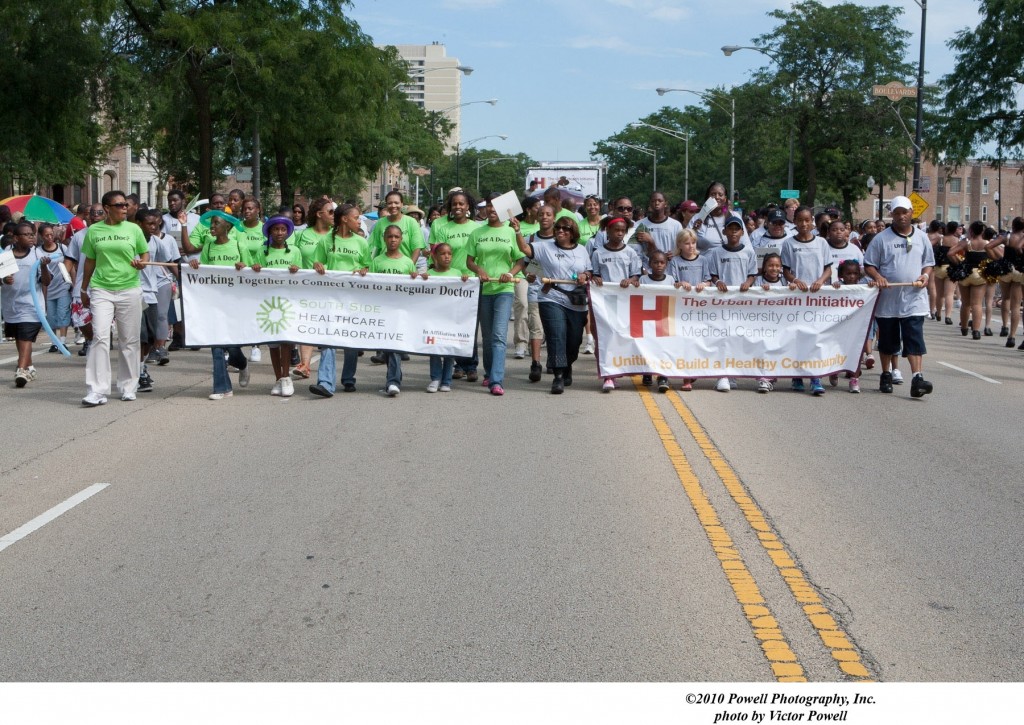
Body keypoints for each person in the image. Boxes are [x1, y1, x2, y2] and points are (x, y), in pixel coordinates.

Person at [80, 191, 150, 406]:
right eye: (119, 205)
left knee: (129, 340)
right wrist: (84, 289)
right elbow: (90, 261)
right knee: (100, 337)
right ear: (106, 208)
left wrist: (142, 262)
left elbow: (145, 254)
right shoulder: (94, 230)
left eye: (125, 205)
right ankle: (98, 390)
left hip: (129, 289)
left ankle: (128, 386)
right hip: (101, 289)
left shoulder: (133, 229)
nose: (124, 208)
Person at [863, 195, 934, 397]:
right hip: (888, 300)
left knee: (914, 339)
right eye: (897, 213)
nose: (902, 216)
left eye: (905, 212)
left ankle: (917, 377)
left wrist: (925, 275)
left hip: (914, 298)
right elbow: (869, 264)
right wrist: (878, 277)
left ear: (912, 212)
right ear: (891, 215)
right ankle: (886, 374)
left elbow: (928, 262)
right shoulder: (881, 239)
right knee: (888, 341)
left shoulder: (921, 237)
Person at [514, 216, 591, 394]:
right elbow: (524, 249)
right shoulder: (543, 247)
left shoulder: (581, 250)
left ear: (573, 233)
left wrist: (585, 275)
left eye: (565, 229)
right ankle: (558, 376)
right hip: (551, 297)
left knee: (574, 340)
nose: (560, 231)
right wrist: (518, 230)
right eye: (558, 228)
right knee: (557, 335)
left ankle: (567, 365)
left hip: (576, 301)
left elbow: (589, 270)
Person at [466, 194, 528, 396]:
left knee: (499, 336)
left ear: (502, 210)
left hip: (504, 290)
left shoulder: (510, 232)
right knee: (487, 335)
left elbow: (520, 261)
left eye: (495, 207)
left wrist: (510, 273)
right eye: (488, 207)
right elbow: (470, 261)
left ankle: (496, 380)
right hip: (484, 290)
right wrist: (479, 271)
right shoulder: (477, 232)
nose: (491, 210)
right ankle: (488, 372)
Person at [188, 210, 252, 400]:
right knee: (216, 344)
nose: (212, 227)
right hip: (214, 302)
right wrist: (195, 265)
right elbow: (205, 271)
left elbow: (252, 273)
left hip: (235, 302)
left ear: (227, 226)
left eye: (216, 223)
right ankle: (222, 388)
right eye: (211, 224)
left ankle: (242, 364)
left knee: (232, 346)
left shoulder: (238, 244)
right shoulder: (208, 245)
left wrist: (243, 266)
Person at [308, 204, 371, 398]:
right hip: (331, 296)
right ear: (344, 219)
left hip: (353, 298)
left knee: (350, 339)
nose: (359, 221)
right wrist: (318, 265)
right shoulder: (326, 240)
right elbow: (318, 262)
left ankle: (348, 378)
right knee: (329, 337)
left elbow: (368, 266)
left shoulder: (361, 243)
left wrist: (364, 270)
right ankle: (325, 383)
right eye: (356, 217)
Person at [782, 205, 833, 395]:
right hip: (797, 298)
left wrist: (820, 281)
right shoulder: (789, 243)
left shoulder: (821, 243)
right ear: (794, 222)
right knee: (798, 336)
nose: (804, 224)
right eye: (800, 220)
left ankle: (815, 376)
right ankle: (797, 375)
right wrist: (795, 280)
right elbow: (786, 270)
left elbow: (828, 267)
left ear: (812, 222)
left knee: (816, 337)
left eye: (807, 220)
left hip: (817, 298)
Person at [591, 215, 642, 393]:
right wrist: (595, 278)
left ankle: (617, 370)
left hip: (624, 302)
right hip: (605, 302)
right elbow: (594, 274)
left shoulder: (630, 253)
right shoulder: (598, 253)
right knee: (606, 337)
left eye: (623, 231)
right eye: (616, 230)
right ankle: (608, 376)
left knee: (621, 337)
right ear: (608, 231)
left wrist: (631, 279)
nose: (619, 234)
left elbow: (636, 275)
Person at [707, 213, 756, 393]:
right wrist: (718, 282)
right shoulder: (716, 252)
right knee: (722, 337)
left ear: (742, 232)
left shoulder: (748, 252)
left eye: (737, 229)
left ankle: (733, 373)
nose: (734, 232)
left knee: (737, 337)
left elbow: (752, 274)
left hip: (741, 302)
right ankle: (722, 374)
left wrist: (748, 283)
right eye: (730, 229)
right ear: (724, 231)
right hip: (722, 302)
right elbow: (713, 275)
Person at [369, 224, 418, 396]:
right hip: (383, 310)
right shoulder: (377, 261)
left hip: (401, 311)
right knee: (388, 347)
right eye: (390, 236)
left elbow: (415, 288)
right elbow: (371, 286)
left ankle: (393, 381)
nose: (393, 240)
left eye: (396, 237)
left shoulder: (407, 263)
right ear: (384, 239)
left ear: (401, 239)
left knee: (395, 345)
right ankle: (395, 376)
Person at [2, 221, 52, 387]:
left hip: (32, 304)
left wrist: (44, 267)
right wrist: (3, 280)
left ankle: (21, 369)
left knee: (25, 336)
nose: (31, 238)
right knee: (19, 337)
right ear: (16, 238)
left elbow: (46, 282)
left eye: (32, 234)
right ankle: (29, 366)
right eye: (26, 235)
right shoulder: (5, 255)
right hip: (11, 305)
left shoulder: (37, 255)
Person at [136, 210, 180, 393]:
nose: (154, 227)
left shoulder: (156, 242)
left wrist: (184, 283)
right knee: (140, 336)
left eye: (156, 224)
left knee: (152, 337)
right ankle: (138, 373)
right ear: (139, 224)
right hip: (134, 292)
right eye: (149, 224)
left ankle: (141, 366)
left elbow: (171, 262)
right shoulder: (131, 240)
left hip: (151, 293)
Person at [423, 243, 470, 393]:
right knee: (435, 348)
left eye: (449, 253)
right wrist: (421, 279)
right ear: (435, 256)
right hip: (434, 318)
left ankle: (446, 381)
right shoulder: (429, 274)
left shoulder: (457, 273)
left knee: (449, 348)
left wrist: (465, 280)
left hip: (452, 317)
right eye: (443, 254)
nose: (447, 256)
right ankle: (435, 378)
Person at [831, 260, 876, 394]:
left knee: (856, 353)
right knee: (836, 351)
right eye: (848, 273)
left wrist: (871, 286)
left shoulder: (864, 287)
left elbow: (872, 292)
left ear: (859, 275)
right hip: (840, 326)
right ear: (841, 275)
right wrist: (834, 287)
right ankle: (833, 372)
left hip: (856, 327)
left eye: (855, 273)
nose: (851, 276)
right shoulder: (838, 287)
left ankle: (854, 379)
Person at [948, 220, 990, 340]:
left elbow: (950, 253)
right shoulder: (987, 243)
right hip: (980, 274)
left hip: (966, 273)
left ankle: (964, 328)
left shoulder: (967, 242)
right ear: (983, 231)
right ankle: (976, 331)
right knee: (977, 304)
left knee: (965, 303)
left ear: (971, 231)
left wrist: (959, 263)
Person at [986, 217, 1024, 348]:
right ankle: (1012, 336)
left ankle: (1004, 326)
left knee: (1005, 298)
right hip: (1020, 270)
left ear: (1012, 226)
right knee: (1016, 305)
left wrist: (997, 259)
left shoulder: (1007, 236)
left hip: (1006, 269)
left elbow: (988, 246)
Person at [38, 223, 71, 352]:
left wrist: (72, 283)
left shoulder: (62, 248)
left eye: (51, 234)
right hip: (47, 288)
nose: (50, 237)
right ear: (41, 236)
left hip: (63, 285)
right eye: (46, 235)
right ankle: (54, 341)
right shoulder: (38, 251)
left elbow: (70, 265)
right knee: (51, 316)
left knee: (63, 313)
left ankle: (62, 341)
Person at [692, 181, 749, 251]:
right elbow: (685, 242)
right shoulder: (697, 218)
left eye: (720, 194)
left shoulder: (734, 216)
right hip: (704, 261)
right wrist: (694, 229)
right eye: (713, 194)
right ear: (708, 198)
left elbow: (746, 244)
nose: (717, 197)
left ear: (725, 199)